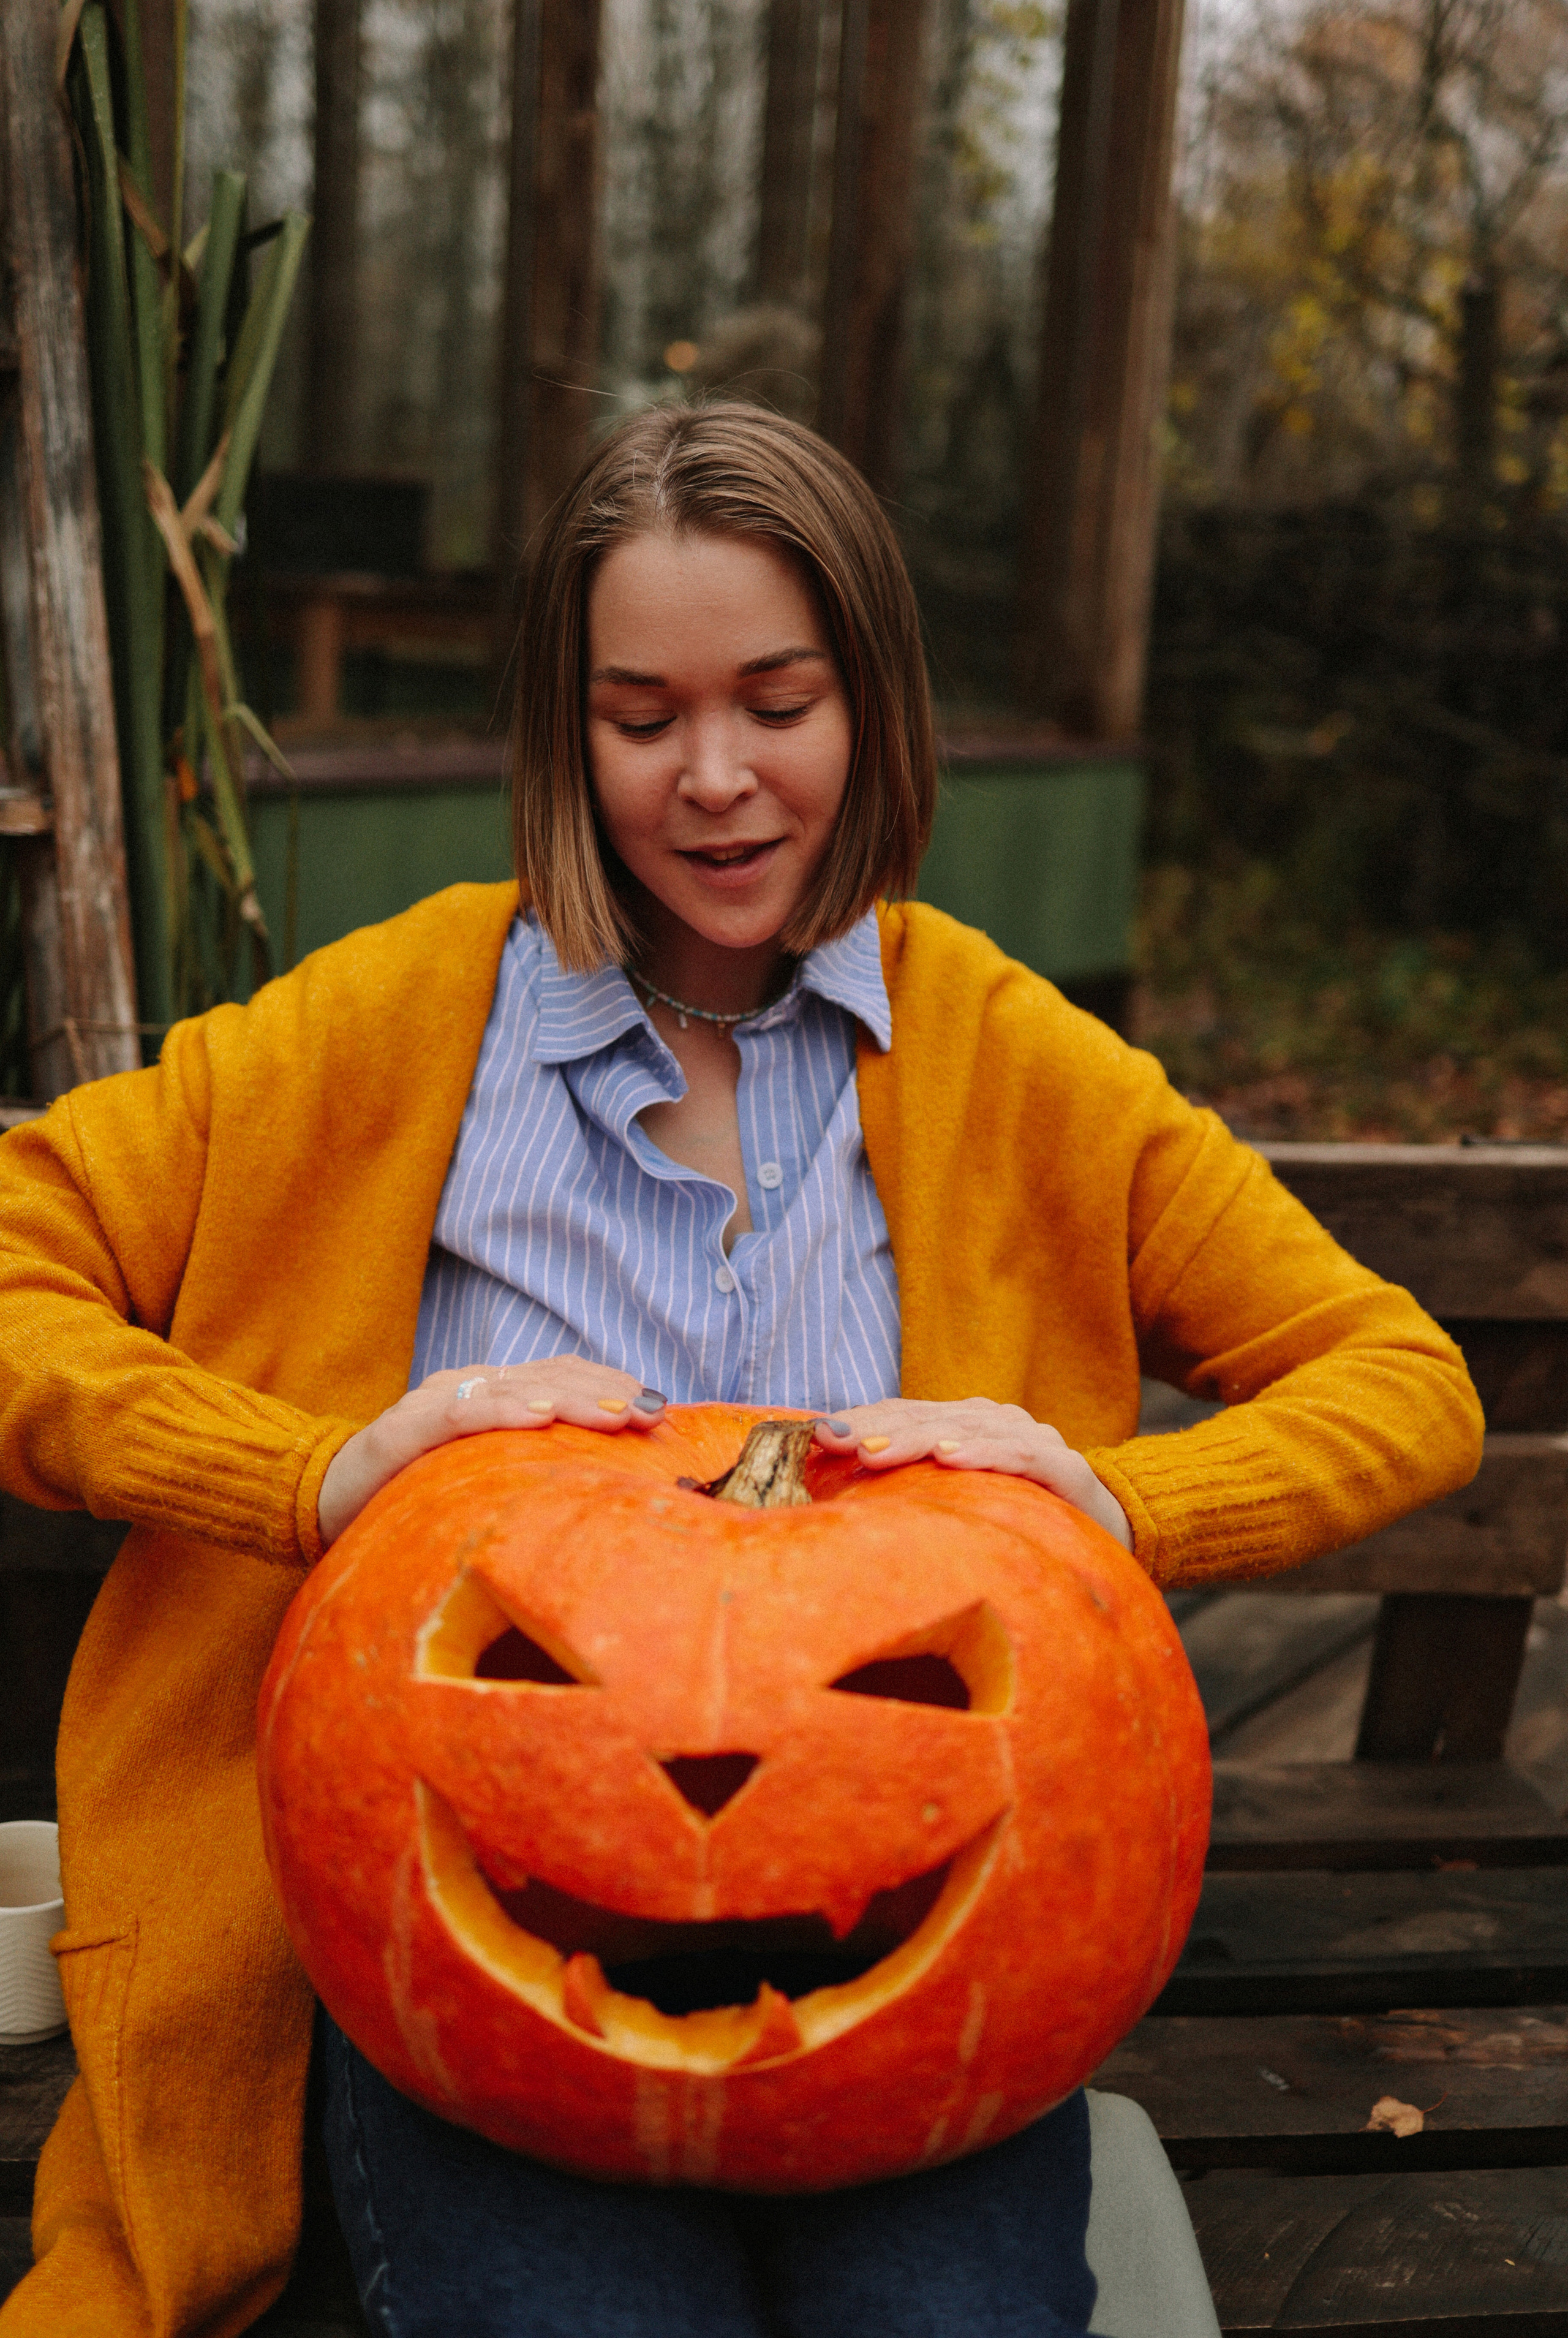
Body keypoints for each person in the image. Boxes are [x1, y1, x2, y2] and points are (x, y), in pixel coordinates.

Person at [0, 402, 1481, 2338]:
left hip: (918, 1974)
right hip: (466, 1965)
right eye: (642, 718)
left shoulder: (1011, 1064)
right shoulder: (391, 1033)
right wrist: (315, 1474)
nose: (714, 779)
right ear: (567, 731)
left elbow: (1403, 1377)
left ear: (868, 700)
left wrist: (1111, 1496)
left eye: (776, 703)